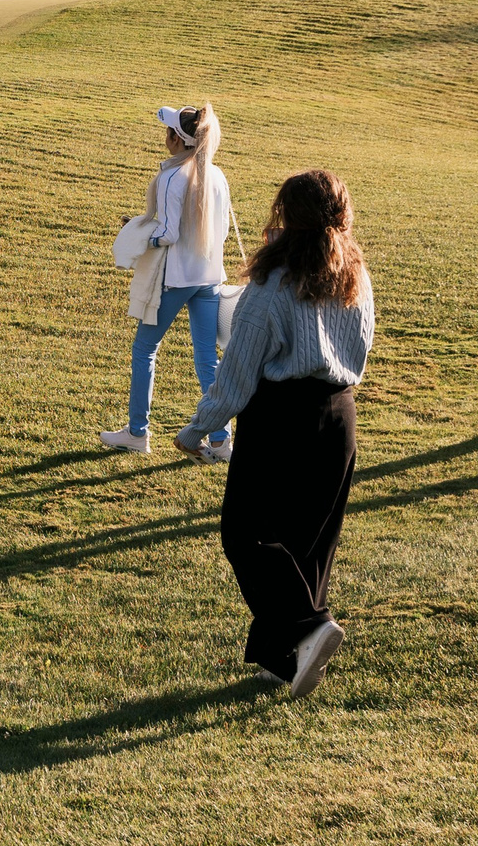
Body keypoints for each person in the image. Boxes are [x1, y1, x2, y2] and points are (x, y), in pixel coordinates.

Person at [176, 170, 375, 701]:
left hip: (280, 419)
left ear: (286, 219)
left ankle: (309, 626)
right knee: (307, 542)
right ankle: (281, 660)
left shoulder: (271, 287)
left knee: (245, 534)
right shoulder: (354, 274)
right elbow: (362, 346)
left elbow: (238, 373)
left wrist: (198, 430)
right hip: (338, 417)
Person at [103, 105, 236, 460]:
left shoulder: (171, 178)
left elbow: (167, 233)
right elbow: (220, 231)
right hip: (208, 276)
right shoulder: (217, 176)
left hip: (176, 278)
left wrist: (136, 231)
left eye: (168, 132)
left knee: (144, 348)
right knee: (207, 358)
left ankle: (137, 432)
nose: (165, 138)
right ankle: (222, 441)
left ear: (177, 139)